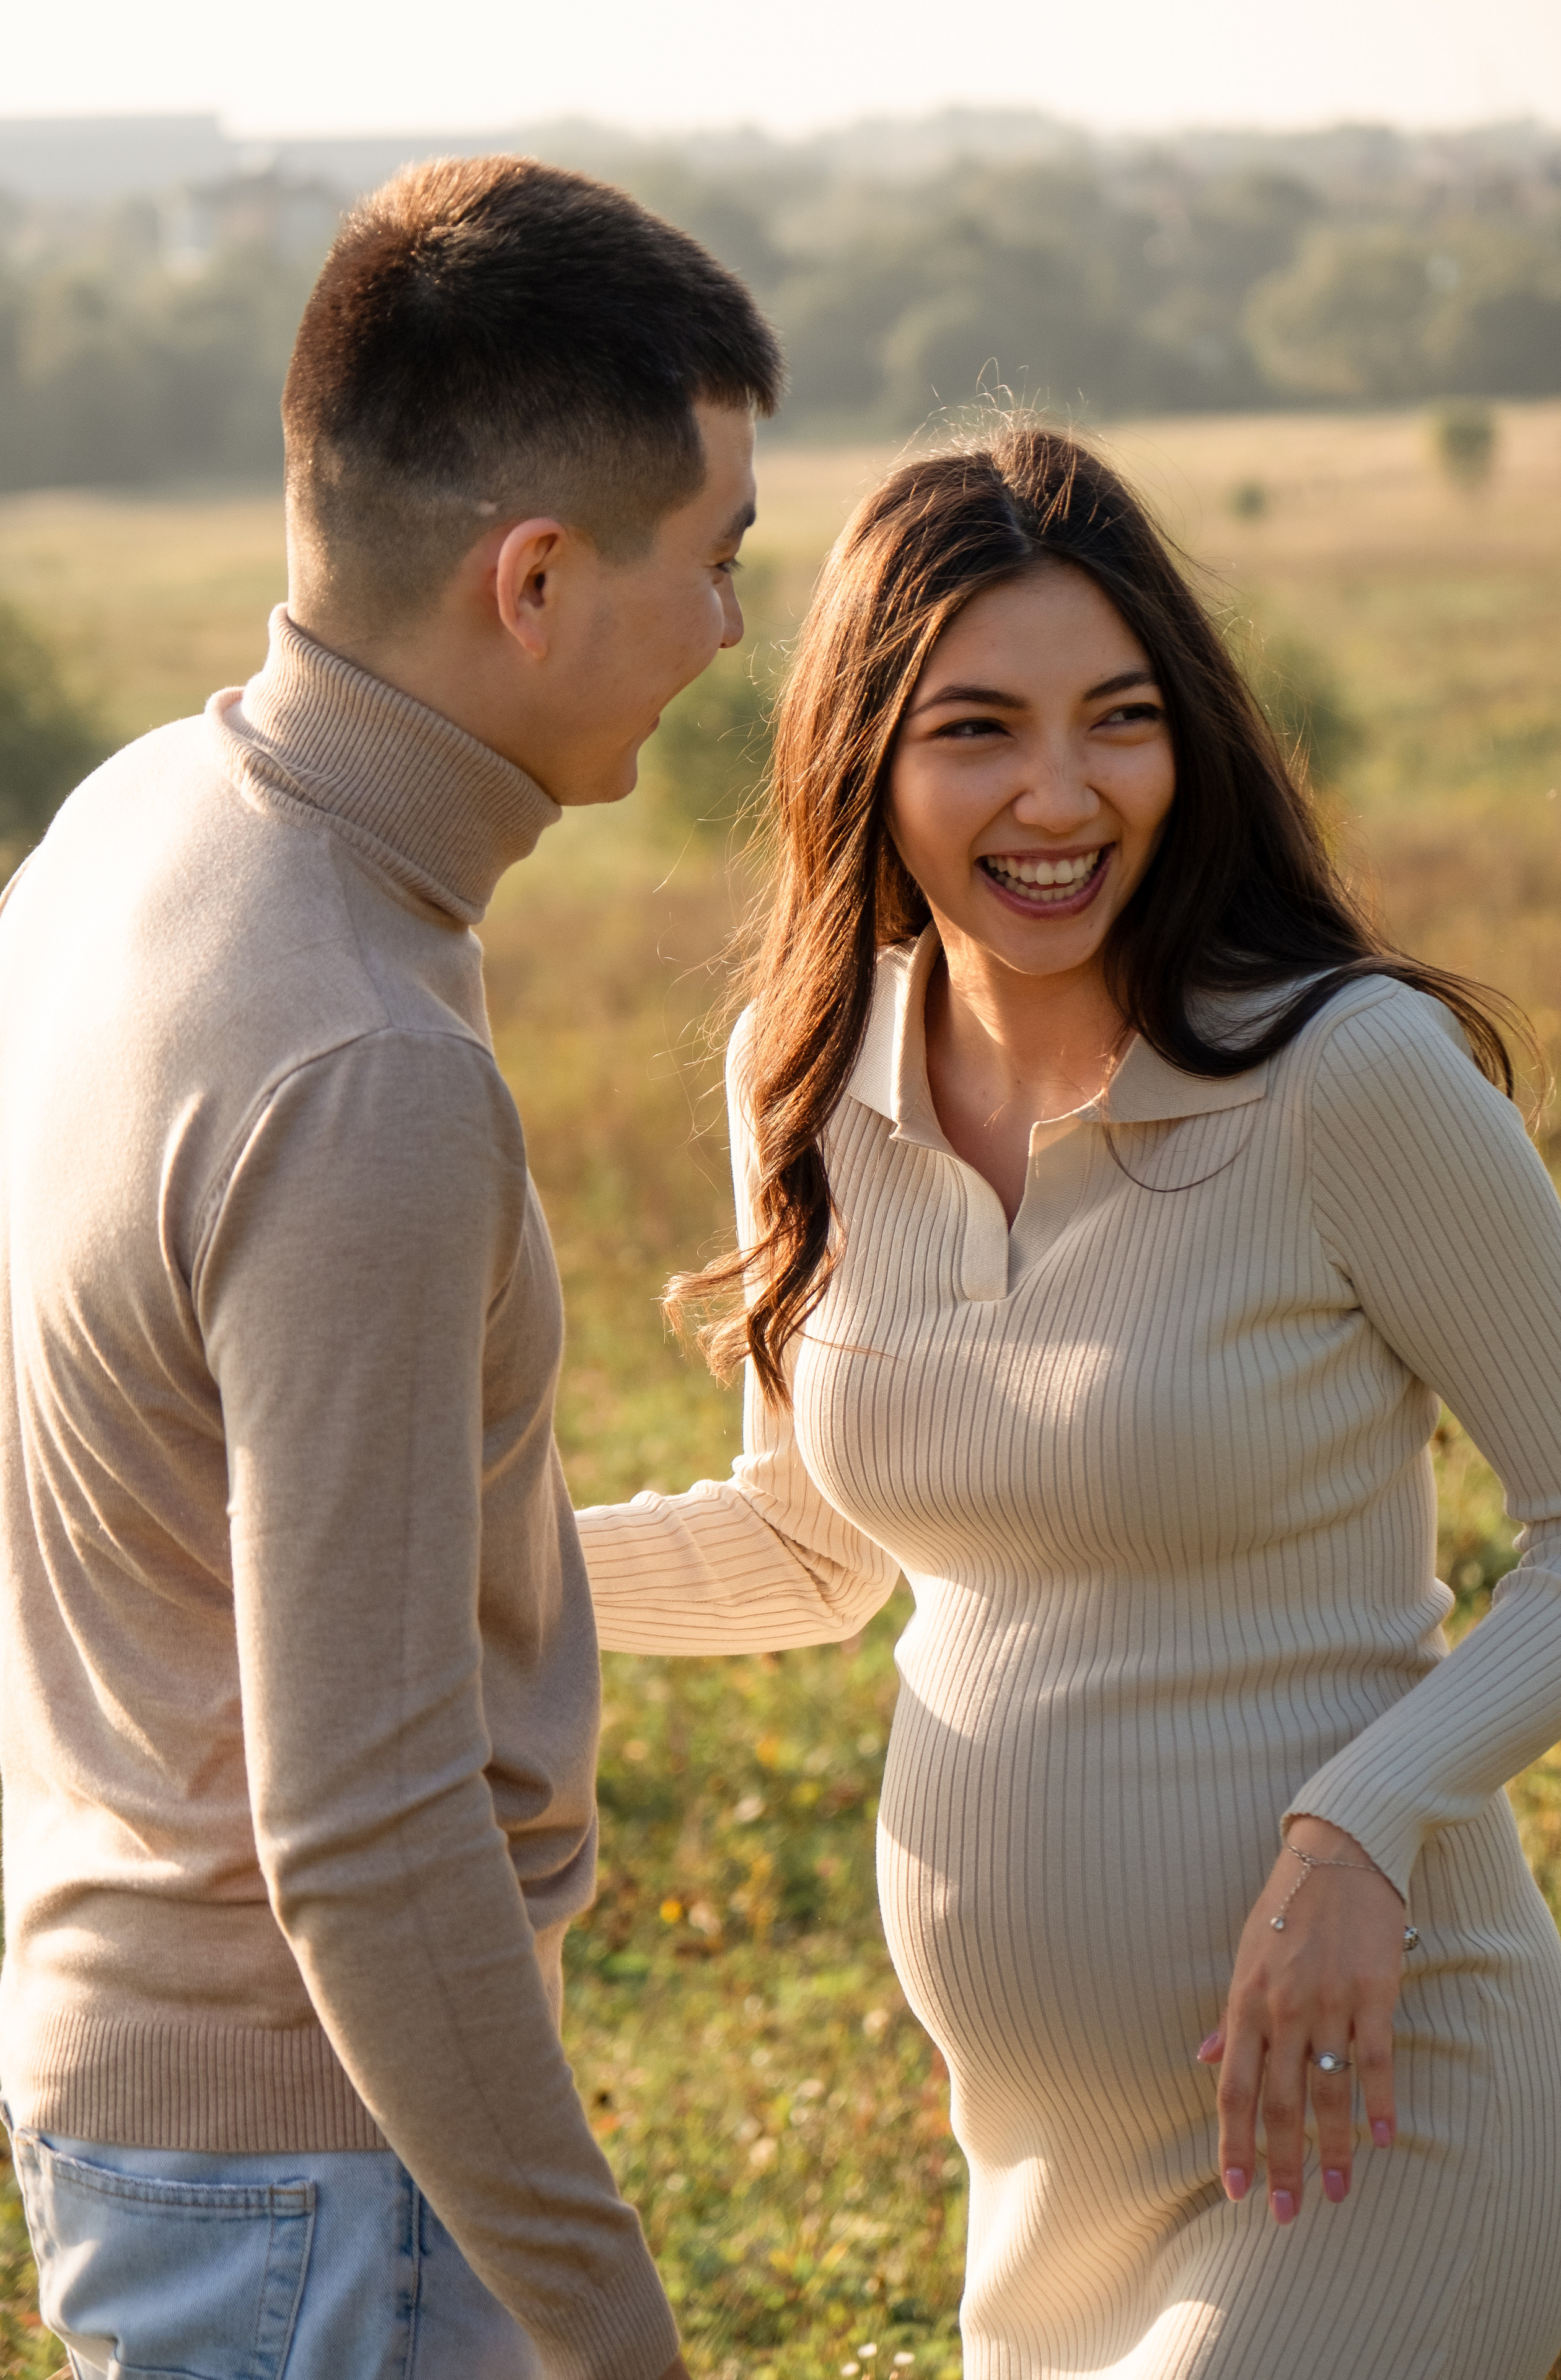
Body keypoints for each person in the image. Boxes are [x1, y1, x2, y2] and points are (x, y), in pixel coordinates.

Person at [578, 425, 1561, 2380]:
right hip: (1047, 2186)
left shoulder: (1345, 1077)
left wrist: (1361, 1826)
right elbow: (806, 1546)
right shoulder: (806, 1078)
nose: (1061, 795)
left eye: (1119, 720)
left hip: (1374, 2109)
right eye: (979, 731)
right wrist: (440, 1568)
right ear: (865, 756)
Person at [0, 154, 779, 2379]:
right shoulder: (365, 1065)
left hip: (147, 2112)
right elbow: (362, 1832)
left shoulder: (127, 826)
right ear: (535, 581)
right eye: (716, 558)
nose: (733, 631)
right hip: (324, 2193)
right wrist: (611, 2335)